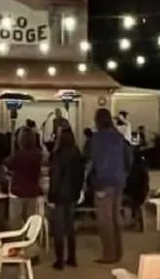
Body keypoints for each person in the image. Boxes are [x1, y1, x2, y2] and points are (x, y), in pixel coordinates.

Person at [85, 108, 133, 264]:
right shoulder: (119, 137)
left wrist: (86, 180)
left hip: (103, 182)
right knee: (115, 217)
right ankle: (119, 252)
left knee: (105, 220)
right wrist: (123, 173)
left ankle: (109, 254)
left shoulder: (96, 139)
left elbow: (91, 162)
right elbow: (129, 159)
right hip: (119, 181)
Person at [47, 126, 85, 269]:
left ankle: (59, 260)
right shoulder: (77, 154)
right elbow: (81, 175)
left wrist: (51, 196)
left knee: (58, 228)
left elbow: (55, 177)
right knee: (70, 227)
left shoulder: (58, 155)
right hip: (72, 194)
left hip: (59, 195)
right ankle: (72, 257)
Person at [5, 128, 44, 228]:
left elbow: (7, 165)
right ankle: (30, 240)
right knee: (31, 220)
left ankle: (18, 241)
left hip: (18, 191)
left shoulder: (17, 156)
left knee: (15, 222)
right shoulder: (37, 155)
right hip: (32, 191)